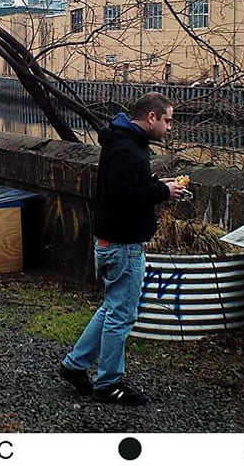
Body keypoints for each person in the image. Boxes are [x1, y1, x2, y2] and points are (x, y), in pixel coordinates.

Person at [58, 92, 187, 406]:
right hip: (123, 245)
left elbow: (127, 185)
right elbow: (123, 195)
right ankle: (109, 383)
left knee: (110, 309)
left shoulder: (122, 142)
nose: (169, 127)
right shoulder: (129, 149)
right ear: (152, 118)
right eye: (167, 120)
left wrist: (158, 182)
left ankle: (74, 365)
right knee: (121, 315)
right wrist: (162, 191)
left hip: (110, 241)